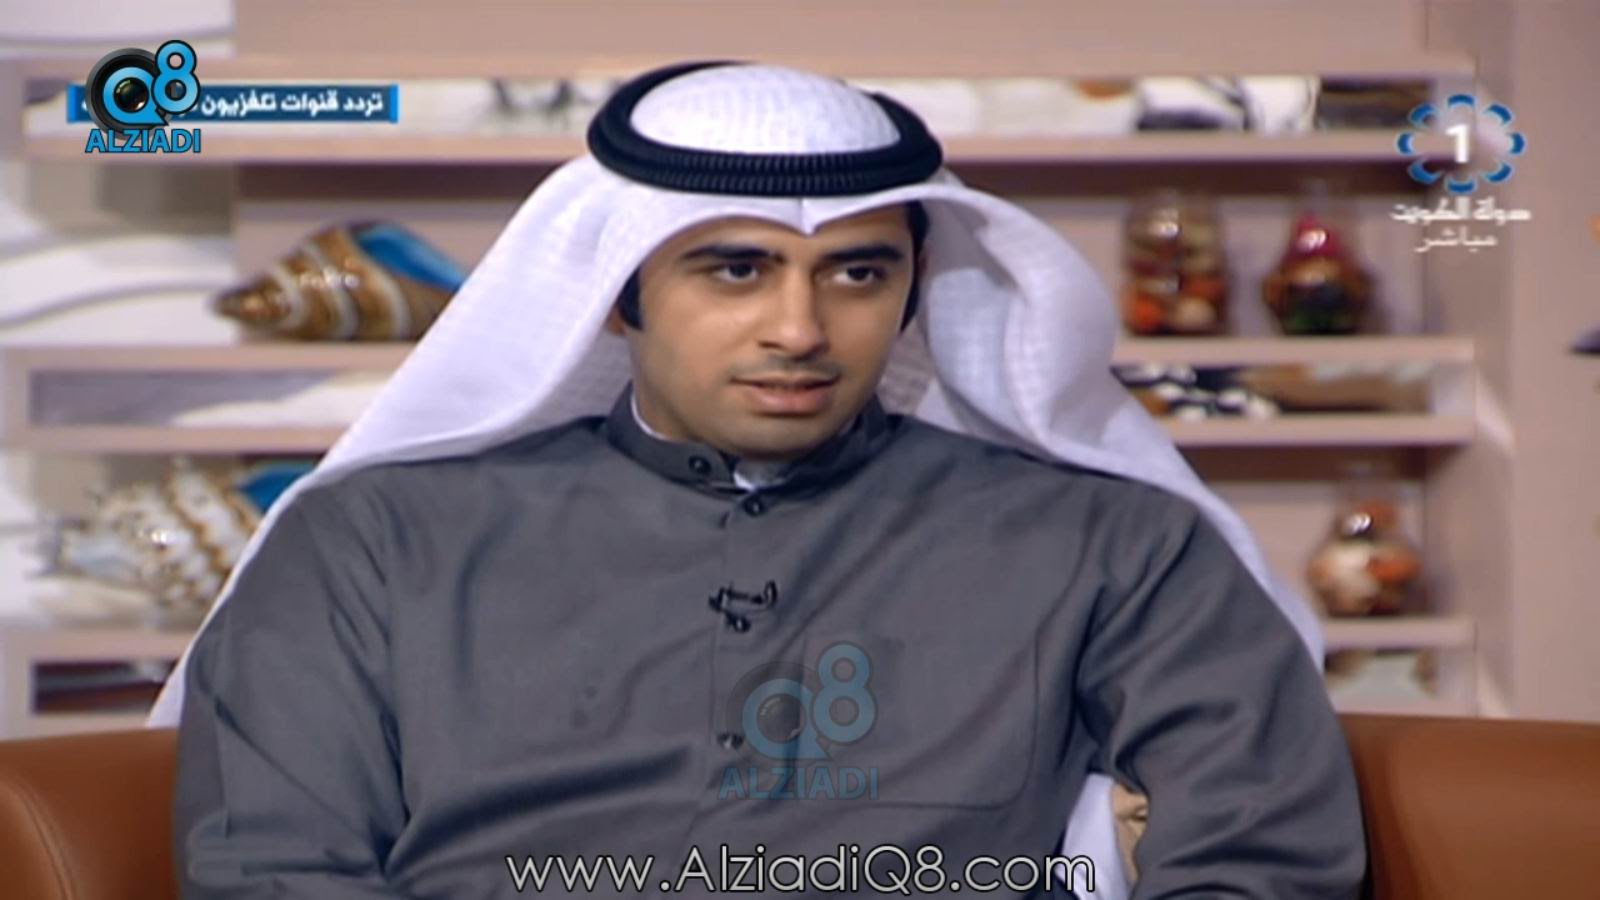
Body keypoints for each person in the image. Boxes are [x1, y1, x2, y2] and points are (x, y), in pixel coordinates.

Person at [156, 61, 1364, 898]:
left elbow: (1259, 855)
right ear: (619, 296)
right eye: (734, 270)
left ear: (915, 289)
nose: (799, 328)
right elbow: (276, 870)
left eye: (857, 274)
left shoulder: (1111, 544)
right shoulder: (373, 543)